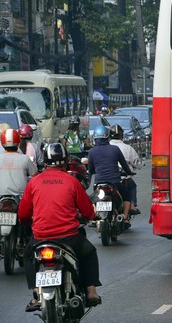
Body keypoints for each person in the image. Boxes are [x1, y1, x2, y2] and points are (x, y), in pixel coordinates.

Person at [18, 143, 102, 312]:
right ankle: (91, 291)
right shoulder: (72, 181)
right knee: (89, 252)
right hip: (69, 238)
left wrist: (29, 223)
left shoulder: (34, 183)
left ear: (45, 162)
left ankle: (36, 293)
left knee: (27, 255)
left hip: (40, 238)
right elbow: (87, 210)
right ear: (66, 161)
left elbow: (23, 213)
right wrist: (93, 217)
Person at [88, 125, 136, 226]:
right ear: (107, 137)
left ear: (95, 138)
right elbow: (124, 165)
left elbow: (91, 170)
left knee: (94, 199)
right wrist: (129, 173)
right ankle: (125, 217)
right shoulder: (114, 149)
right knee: (127, 195)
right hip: (115, 182)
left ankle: (94, 216)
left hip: (98, 183)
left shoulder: (92, 152)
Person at [109, 124, 144, 215]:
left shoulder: (105, 147)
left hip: (105, 178)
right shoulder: (127, 148)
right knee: (132, 186)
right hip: (119, 178)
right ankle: (132, 205)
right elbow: (136, 163)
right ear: (122, 135)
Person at [0, 128, 37, 197]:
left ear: (2, 143)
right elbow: (35, 175)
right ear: (18, 142)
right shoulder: (25, 158)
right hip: (20, 196)